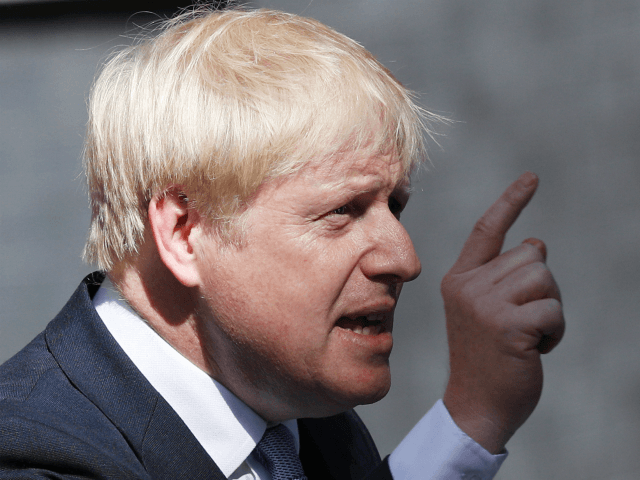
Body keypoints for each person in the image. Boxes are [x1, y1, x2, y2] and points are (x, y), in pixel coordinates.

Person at [0, 6, 564, 479]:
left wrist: (473, 415)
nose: (405, 258)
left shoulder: (298, 412)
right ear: (183, 231)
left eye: (395, 206)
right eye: (342, 211)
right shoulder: (37, 458)